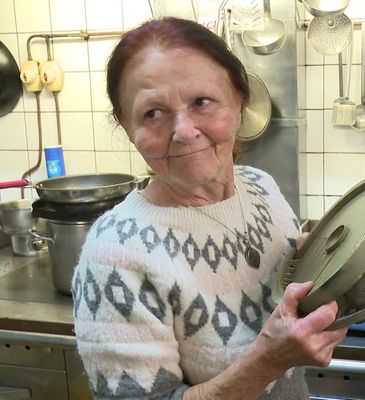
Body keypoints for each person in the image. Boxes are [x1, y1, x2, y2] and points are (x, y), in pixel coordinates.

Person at [72, 17, 348, 400]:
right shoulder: (115, 255)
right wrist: (266, 362)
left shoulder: (260, 189)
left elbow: (281, 287)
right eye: (153, 113)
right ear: (125, 123)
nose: (184, 131)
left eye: (201, 102)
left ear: (239, 101)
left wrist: (339, 258)